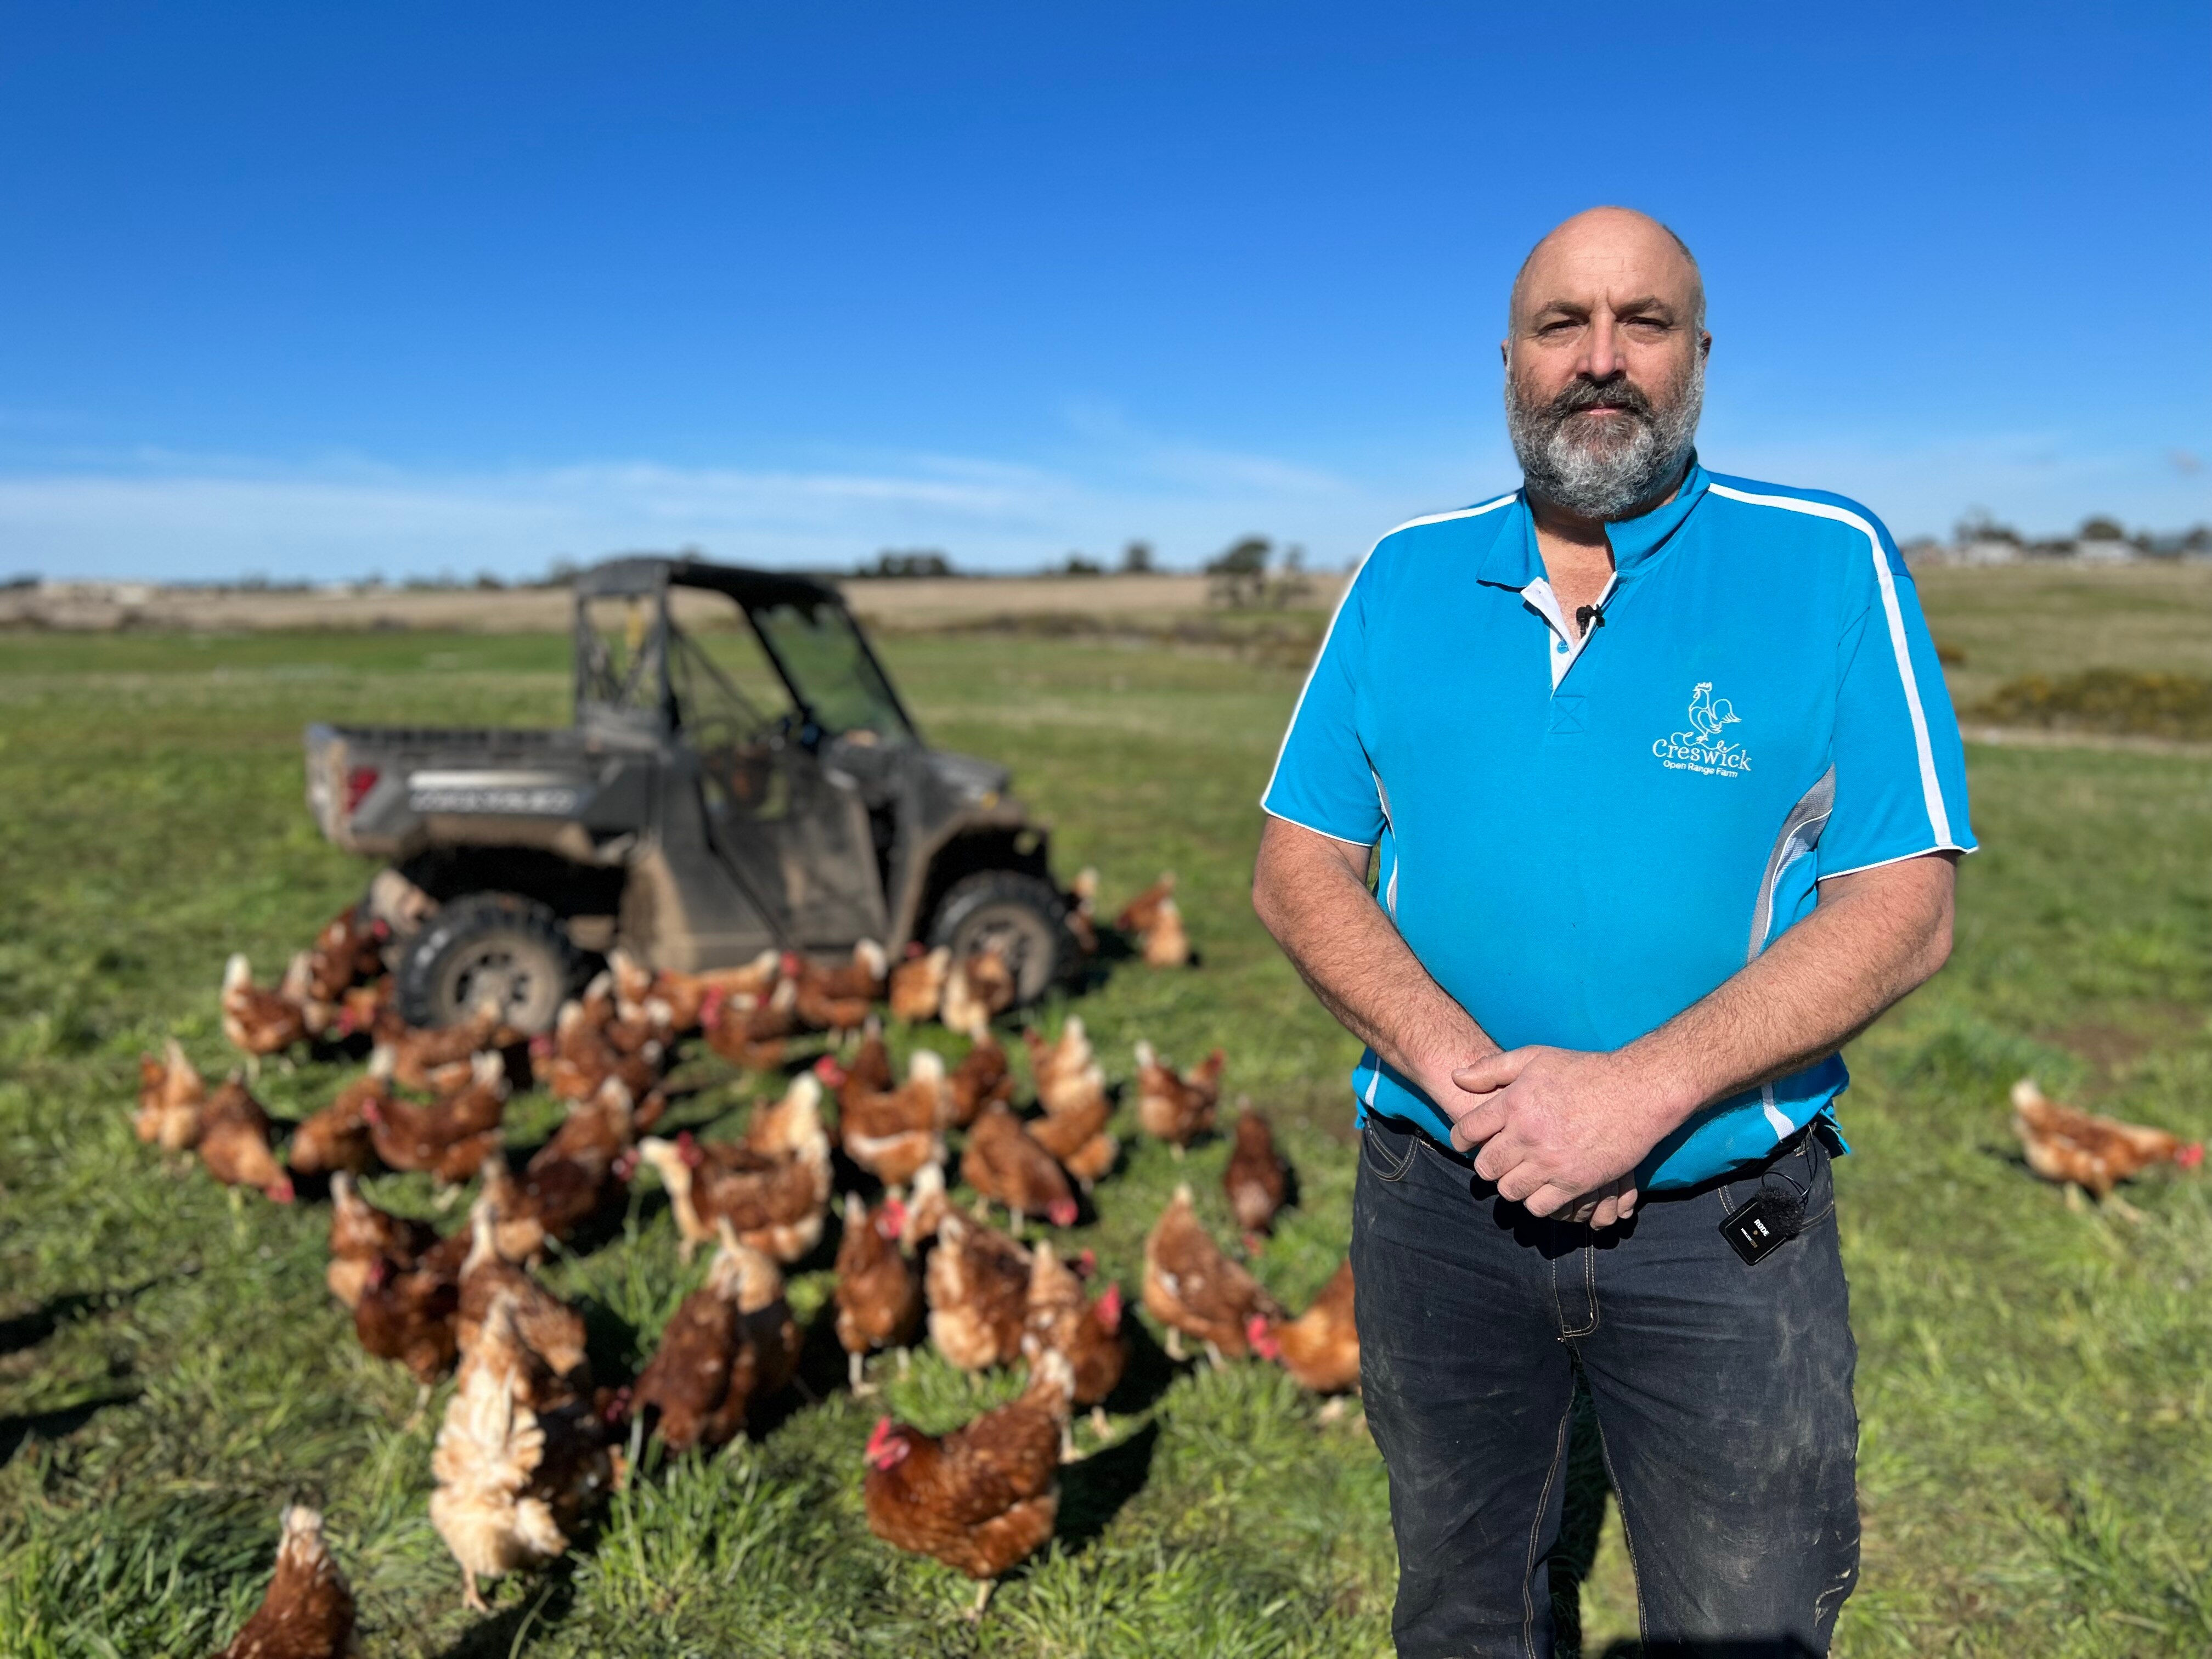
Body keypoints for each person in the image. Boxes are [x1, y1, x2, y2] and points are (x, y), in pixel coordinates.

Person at [1251, 206, 1973, 1658]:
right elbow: (1299, 869)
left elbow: (1903, 905)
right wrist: (1482, 1092)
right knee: (1463, 1600)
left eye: (1642, 323)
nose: (1600, 360)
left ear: (1698, 355)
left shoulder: (1827, 562)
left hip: (1733, 1218)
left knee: (1749, 1612)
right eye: (1560, 325)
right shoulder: (1403, 573)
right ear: (1507, 359)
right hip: (1436, 1199)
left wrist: (1634, 1094)